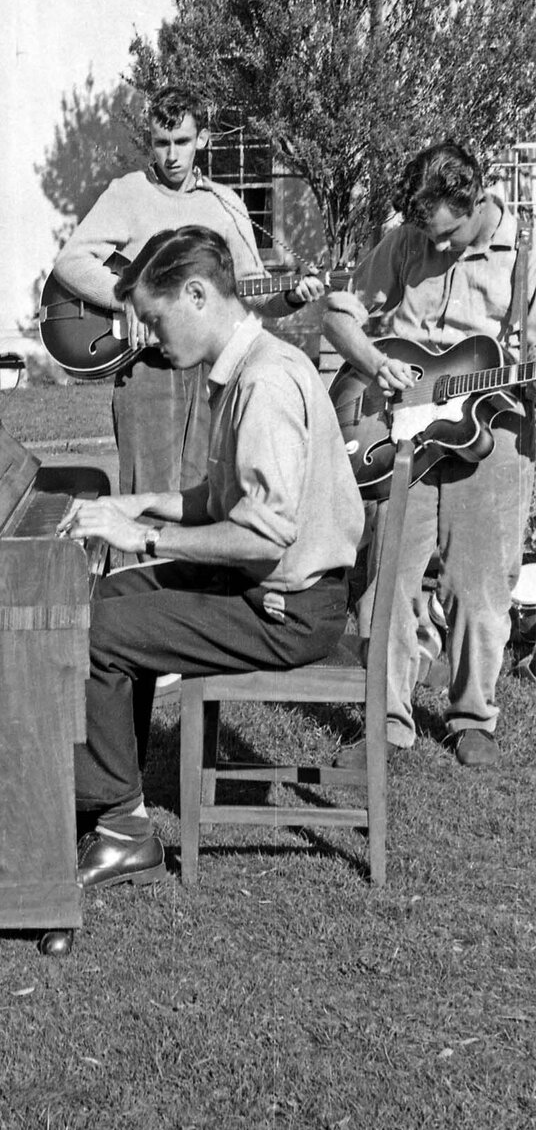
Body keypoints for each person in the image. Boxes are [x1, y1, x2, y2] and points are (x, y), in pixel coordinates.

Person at [58, 226, 365, 889]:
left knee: (99, 631)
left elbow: (263, 534)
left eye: (154, 318)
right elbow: (217, 499)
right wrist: (139, 505)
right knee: (109, 600)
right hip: (271, 589)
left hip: (289, 609)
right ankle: (114, 801)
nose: (148, 336)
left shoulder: (265, 386)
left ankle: (121, 829)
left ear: (196, 294)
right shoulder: (245, 369)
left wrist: (142, 537)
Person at [324, 141, 536, 770]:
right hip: (403, 428)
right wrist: (373, 363)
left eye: (447, 237)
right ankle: (386, 720)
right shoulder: (406, 242)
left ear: (475, 199)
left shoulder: (525, 253)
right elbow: (338, 316)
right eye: (428, 238)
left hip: (496, 430)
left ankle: (474, 717)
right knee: (387, 576)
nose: (435, 251)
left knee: (481, 585)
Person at [53, 86, 325, 499]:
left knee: (206, 492)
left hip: (211, 369)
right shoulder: (129, 192)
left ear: (203, 139)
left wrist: (292, 295)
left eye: (182, 141)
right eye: (162, 143)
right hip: (147, 368)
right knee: (147, 496)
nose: (172, 155)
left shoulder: (225, 203)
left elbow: (249, 291)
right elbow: (70, 262)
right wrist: (127, 297)